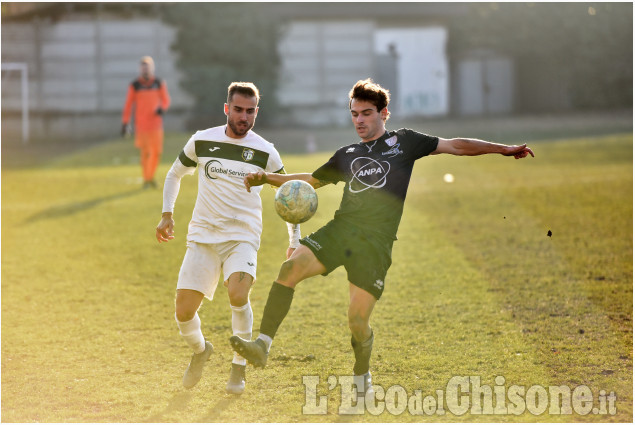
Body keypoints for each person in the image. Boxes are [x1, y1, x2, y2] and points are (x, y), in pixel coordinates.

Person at [230, 78, 534, 397]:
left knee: (357, 321)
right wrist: (267, 178)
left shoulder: (406, 142)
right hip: (341, 231)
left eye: (366, 113)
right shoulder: (347, 154)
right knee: (288, 270)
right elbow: (311, 181)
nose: (359, 120)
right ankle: (263, 345)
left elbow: (455, 145)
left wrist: (503, 149)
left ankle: (362, 376)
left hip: (374, 245)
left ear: (383, 113)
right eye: (354, 114)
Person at [155, 82, 300, 394]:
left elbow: (288, 193)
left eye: (250, 111)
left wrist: (295, 239)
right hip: (203, 237)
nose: (243, 116)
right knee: (183, 312)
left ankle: (239, 366)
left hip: (242, 236)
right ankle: (200, 351)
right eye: (238, 109)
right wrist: (167, 213)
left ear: (256, 112)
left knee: (237, 294)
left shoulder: (265, 150)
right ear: (227, 109)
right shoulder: (203, 140)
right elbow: (174, 174)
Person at [122, 56, 171, 189]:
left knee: (156, 152)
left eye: (148, 67)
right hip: (142, 125)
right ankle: (146, 178)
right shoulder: (135, 85)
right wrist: (125, 123)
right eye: (143, 67)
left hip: (156, 124)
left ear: (152, 68)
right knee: (145, 152)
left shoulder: (159, 83)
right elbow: (128, 105)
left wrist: (162, 109)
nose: (146, 70)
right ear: (140, 69)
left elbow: (166, 100)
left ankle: (150, 177)